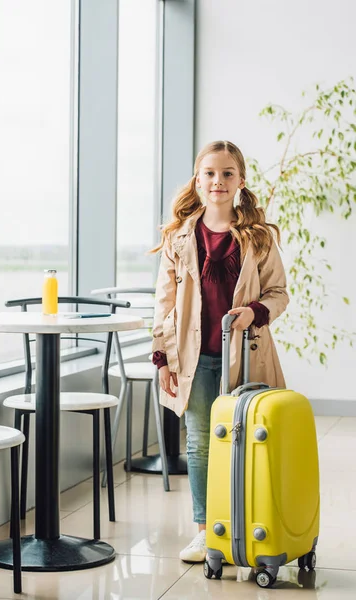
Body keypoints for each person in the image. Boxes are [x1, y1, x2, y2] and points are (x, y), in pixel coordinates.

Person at [150, 140, 289, 562]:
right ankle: (205, 530)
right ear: (198, 179)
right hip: (194, 359)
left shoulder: (258, 237)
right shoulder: (179, 237)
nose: (218, 181)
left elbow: (279, 293)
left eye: (228, 173)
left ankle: (246, 523)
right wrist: (162, 359)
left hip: (245, 357)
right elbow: (164, 303)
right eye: (210, 173)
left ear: (241, 182)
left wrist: (254, 311)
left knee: (248, 441)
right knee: (200, 444)